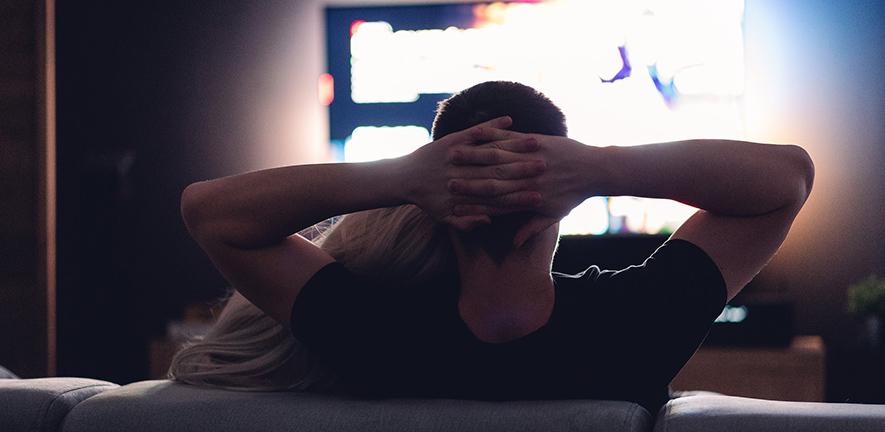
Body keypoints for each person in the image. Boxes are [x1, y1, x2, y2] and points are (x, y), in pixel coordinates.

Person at [169, 81, 814, 412]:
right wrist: (600, 168)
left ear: (442, 211)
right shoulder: (636, 326)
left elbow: (209, 212)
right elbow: (789, 178)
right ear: (553, 214)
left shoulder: (371, 334)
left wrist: (398, 177)